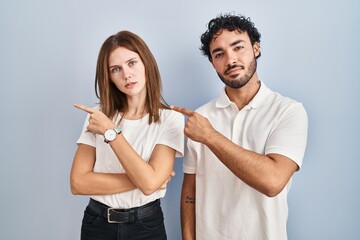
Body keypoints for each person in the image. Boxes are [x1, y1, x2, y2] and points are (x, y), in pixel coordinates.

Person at [172, 13, 308, 240]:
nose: (231, 60)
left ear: (256, 48)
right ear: (213, 63)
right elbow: (190, 191)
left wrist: (210, 136)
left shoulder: (288, 111)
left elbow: (273, 182)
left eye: (238, 47)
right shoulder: (202, 117)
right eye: (219, 54)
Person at [70, 30, 184, 240]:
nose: (126, 74)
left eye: (132, 63)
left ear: (146, 63)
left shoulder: (171, 119)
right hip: (97, 224)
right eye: (116, 69)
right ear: (109, 77)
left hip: (146, 226)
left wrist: (111, 132)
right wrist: (146, 179)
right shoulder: (98, 116)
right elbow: (78, 183)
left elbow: (150, 185)